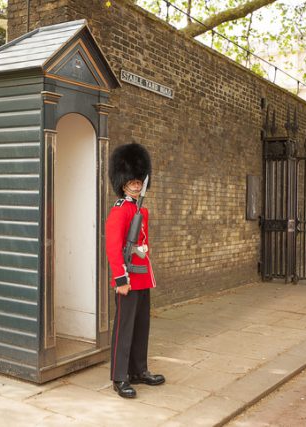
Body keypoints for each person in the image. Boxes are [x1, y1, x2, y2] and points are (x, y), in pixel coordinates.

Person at [106, 142, 165, 399]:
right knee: (124, 328)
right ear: (123, 182)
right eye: (132, 181)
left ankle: (139, 370)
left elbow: (142, 246)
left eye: (139, 180)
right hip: (128, 278)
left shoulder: (142, 210)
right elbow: (112, 247)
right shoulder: (120, 211)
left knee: (141, 327)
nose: (137, 184)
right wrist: (120, 278)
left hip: (142, 276)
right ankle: (120, 376)